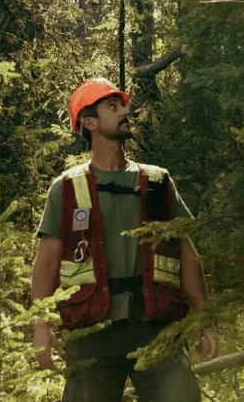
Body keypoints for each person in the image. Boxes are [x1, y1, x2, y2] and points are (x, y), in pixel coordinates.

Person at [31, 78, 218, 402]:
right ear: (90, 122)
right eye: (112, 107)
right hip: (91, 334)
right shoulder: (66, 188)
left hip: (156, 327)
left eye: (123, 105)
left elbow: (188, 255)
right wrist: (41, 326)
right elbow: (46, 264)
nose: (124, 112)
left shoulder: (158, 182)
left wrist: (204, 319)